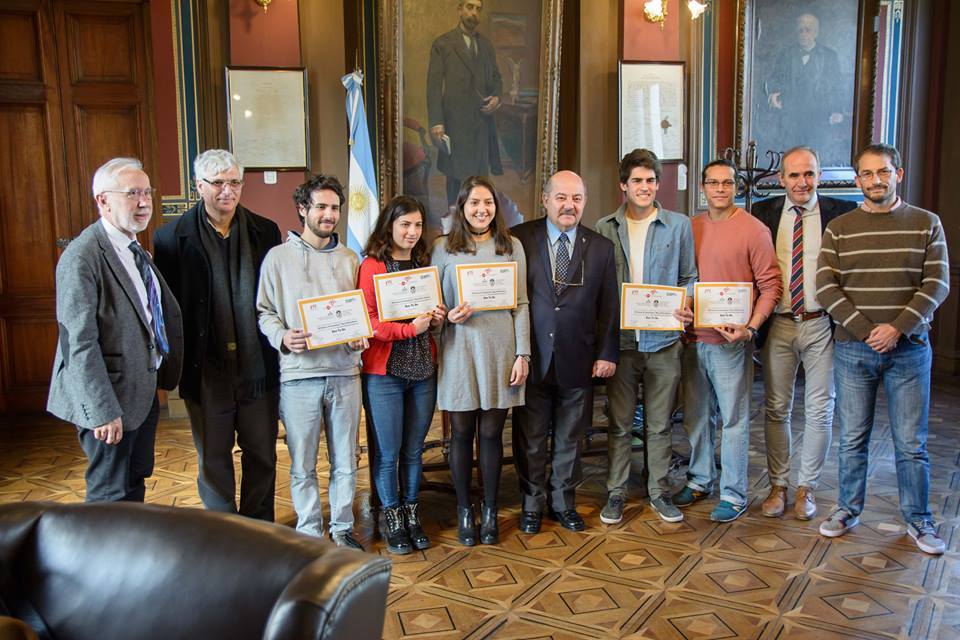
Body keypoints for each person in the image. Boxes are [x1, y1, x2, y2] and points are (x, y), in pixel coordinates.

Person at [816, 144, 950, 555]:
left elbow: (937, 284)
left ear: (899, 174)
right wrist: (866, 329)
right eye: (868, 174)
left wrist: (897, 328)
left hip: (909, 350)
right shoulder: (839, 228)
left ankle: (919, 521)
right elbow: (825, 286)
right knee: (852, 438)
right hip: (854, 351)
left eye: (884, 172)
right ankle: (846, 509)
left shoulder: (927, 223)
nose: (876, 180)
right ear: (858, 180)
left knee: (911, 443)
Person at [153, 149, 282, 521]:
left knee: (262, 453)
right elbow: (169, 311)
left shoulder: (265, 231)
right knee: (213, 457)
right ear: (199, 186)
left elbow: (274, 297)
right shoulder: (170, 238)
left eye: (234, 182)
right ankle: (224, 530)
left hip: (257, 366)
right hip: (206, 369)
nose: (227, 191)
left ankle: (260, 527)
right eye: (218, 183)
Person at [48, 157, 183, 502]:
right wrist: (103, 411)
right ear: (103, 201)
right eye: (132, 194)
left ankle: (130, 553)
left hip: (141, 393)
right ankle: (101, 557)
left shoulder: (134, 249)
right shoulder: (82, 257)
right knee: (109, 495)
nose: (143, 202)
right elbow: (78, 344)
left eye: (147, 193)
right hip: (109, 403)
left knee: (133, 484)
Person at [256, 174, 366, 550]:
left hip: (345, 373)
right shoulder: (277, 258)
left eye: (334, 208)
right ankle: (308, 530)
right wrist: (282, 337)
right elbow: (265, 312)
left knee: (346, 460)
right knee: (303, 463)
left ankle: (341, 527)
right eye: (320, 206)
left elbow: (362, 313)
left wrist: (359, 336)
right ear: (303, 209)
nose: (328, 214)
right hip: (299, 376)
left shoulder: (351, 259)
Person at [751, 146, 857, 520]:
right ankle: (778, 485)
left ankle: (805, 488)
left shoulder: (842, 215)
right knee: (777, 408)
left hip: (821, 324)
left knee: (820, 410)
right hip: (777, 324)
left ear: (820, 176)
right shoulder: (761, 213)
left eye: (809, 174)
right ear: (781, 179)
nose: (802, 182)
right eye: (794, 175)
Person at [511, 170, 619, 534]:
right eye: (561, 197)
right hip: (533, 356)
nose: (568, 205)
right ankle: (531, 504)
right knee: (531, 437)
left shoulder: (601, 247)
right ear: (545, 200)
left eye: (576, 198)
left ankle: (562, 502)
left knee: (572, 436)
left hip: (580, 357)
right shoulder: (520, 239)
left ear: (585, 202)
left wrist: (607, 353)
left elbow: (609, 307)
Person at [675, 159, 781, 522]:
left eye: (727, 183)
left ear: (735, 187)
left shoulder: (754, 230)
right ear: (702, 188)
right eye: (713, 182)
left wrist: (751, 328)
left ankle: (734, 494)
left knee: (733, 419)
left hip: (732, 344)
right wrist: (683, 308)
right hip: (692, 340)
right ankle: (700, 478)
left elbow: (771, 287)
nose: (720, 188)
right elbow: (682, 280)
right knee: (696, 416)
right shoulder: (689, 227)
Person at [595, 149, 697, 525]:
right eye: (636, 180)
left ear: (659, 184)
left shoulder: (679, 225)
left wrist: (685, 304)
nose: (644, 187)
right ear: (623, 185)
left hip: (664, 342)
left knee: (658, 424)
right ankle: (616, 493)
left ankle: (659, 492)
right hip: (620, 343)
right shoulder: (605, 227)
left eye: (651, 180)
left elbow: (689, 276)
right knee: (620, 424)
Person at [431, 175, 530, 546]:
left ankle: (489, 508)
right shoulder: (443, 248)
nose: (481, 209)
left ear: (496, 207)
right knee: (460, 434)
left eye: (487, 202)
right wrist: (446, 317)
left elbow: (520, 304)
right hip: (459, 348)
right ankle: (463, 508)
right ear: (461, 207)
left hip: (500, 349)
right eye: (474, 203)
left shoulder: (511, 246)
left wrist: (523, 353)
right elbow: (433, 305)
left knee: (490, 434)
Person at [357, 196, 446, 554]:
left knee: (413, 451)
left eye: (418, 225)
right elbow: (370, 322)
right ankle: (391, 517)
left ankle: (412, 514)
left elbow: (431, 313)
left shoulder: (426, 263)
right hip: (385, 374)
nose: (411, 232)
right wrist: (411, 329)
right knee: (389, 453)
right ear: (389, 226)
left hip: (423, 370)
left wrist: (436, 318)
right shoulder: (372, 264)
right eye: (404, 225)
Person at [427, 0, 503, 206]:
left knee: (480, 181)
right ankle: (454, 226)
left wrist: (496, 97)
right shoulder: (442, 43)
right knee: (455, 178)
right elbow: (433, 87)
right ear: (459, 10)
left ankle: (477, 227)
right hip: (454, 123)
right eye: (470, 7)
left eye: (478, 9)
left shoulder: (486, 45)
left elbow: (496, 77)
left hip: (481, 123)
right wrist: (436, 122)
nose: (474, 13)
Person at [764, 13, 845, 158]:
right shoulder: (785, 54)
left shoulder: (829, 56)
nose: (803, 34)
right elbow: (774, 79)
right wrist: (773, 93)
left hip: (819, 117)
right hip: (791, 117)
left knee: (815, 158)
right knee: (790, 158)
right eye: (800, 30)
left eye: (807, 30)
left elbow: (838, 86)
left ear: (816, 33)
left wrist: (837, 110)